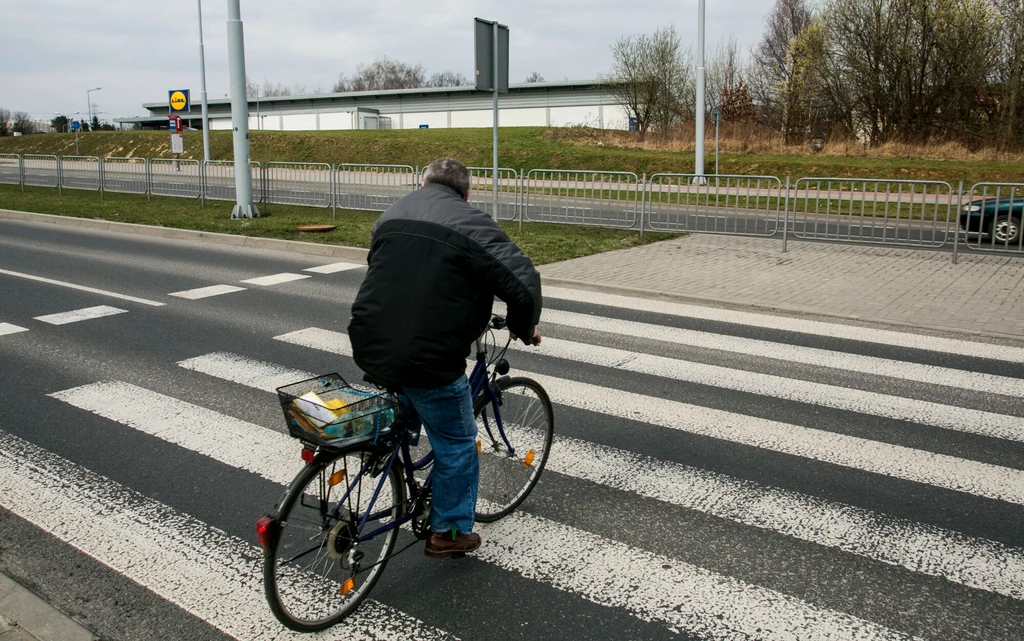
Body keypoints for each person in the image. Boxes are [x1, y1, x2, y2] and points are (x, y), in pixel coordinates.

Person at [348, 158, 542, 558]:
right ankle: (450, 532)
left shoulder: (392, 214)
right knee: (457, 440)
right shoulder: (470, 222)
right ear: (466, 193)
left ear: (422, 183)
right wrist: (524, 329)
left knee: (407, 391)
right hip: (428, 357)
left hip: (370, 340)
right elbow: (523, 282)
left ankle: (394, 449)